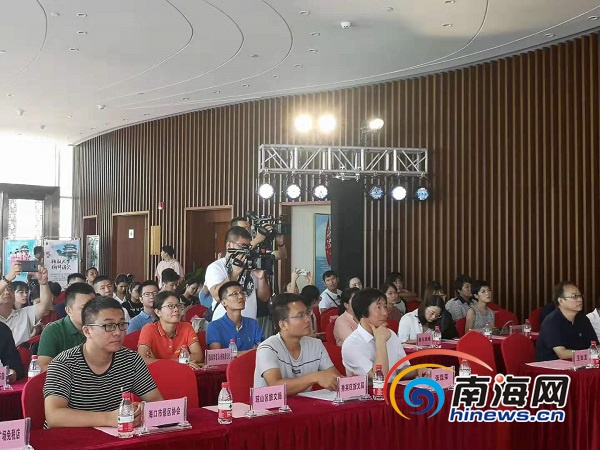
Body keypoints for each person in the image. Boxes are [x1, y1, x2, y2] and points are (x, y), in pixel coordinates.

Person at [44, 297, 163, 428]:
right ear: (87, 331)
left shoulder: (131, 360)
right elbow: (54, 416)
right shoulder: (64, 363)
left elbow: (157, 401)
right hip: (70, 437)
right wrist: (108, 418)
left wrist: (142, 411)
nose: (117, 332)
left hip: (115, 435)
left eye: (122, 325)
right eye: (109, 326)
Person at [254, 293, 340, 394]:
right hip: (271, 404)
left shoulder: (316, 344)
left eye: (307, 313)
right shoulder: (267, 348)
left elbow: (335, 378)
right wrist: (315, 377)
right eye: (300, 316)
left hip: (304, 403)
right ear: (283, 325)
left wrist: (351, 382)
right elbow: (275, 386)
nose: (307, 319)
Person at [342, 288, 426, 380]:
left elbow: (400, 369)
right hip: (372, 389)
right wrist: (380, 341)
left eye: (385, 306)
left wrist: (417, 370)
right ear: (363, 312)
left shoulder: (390, 334)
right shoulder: (351, 345)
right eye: (378, 307)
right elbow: (379, 378)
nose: (385, 313)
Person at [204, 226, 271, 322]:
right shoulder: (216, 267)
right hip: (223, 324)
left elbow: (264, 298)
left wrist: (261, 279)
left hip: (248, 323)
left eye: (248, 247)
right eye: (242, 246)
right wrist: (234, 274)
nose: (246, 251)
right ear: (229, 245)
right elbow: (217, 296)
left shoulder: (250, 265)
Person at [38, 283, 97, 371]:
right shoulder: (53, 331)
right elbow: (44, 366)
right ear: (69, 310)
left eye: (94, 306)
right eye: (84, 308)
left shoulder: (101, 327)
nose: (91, 311)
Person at [138, 291, 203, 368]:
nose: (176, 309)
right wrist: (180, 362)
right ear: (158, 312)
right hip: (157, 373)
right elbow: (142, 360)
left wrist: (156, 361)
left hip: (179, 372)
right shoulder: (149, 329)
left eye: (178, 305)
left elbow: (198, 356)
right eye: (170, 306)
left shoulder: (187, 327)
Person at [536, 281, 598, 361]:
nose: (580, 299)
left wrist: (594, 351)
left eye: (580, 296)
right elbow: (562, 354)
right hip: (552, 366)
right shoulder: (551, 321)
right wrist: (590, 353)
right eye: (574, 296)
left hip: (579, 364)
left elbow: (595, 345)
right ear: (561, 301)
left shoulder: (583, 319)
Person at [0, 264, 53, 346]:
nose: (7, 292)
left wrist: (43, 283)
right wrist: (7, 278)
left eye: (10, 289)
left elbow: (45, 305)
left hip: (21, 354)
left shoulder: (25, 314)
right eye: (3, 290)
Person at [206, 281, 264, 352]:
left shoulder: (253, 324)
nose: (241, 297)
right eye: (235, 294)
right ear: (223, 302)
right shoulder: (214, 326)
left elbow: (262, 350)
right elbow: (218, 355)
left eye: (242, 293)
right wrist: (250, 351)